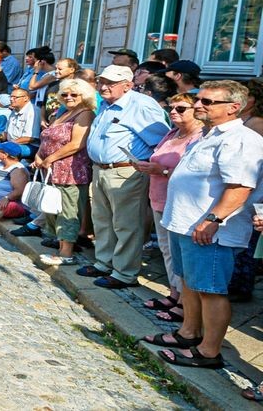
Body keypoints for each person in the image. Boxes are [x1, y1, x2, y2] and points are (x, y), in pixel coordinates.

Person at [148, 81, 263, 370]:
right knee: (189, 282)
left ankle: (209, 352)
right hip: (184, 223)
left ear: (233, 107)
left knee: (211, 290)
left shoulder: (241, 139)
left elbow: (239, 187)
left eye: (208, 102)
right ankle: (188, 332)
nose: (199, 105)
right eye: (199, 100)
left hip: (209, 230)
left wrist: (213, 220)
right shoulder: (208, 134)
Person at [79, 65, 170, 289]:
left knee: (126, 223)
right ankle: (104, 262)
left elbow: (160, 139)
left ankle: (125, 272)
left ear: (128, 85)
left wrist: (145, 164)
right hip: (101, 168)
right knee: (102, 219)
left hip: (126, 170)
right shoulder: (108, 104)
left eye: (110, 83)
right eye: (101, 82)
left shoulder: (141, 105)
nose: (103, 87)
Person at [133, 92, 202, 322]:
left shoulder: (199, 138)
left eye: (181, 108)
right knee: (166, 250)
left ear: (196, 111)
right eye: (171, 108)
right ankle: (174, 294)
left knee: (179, 254)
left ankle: (184, 302)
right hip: (159, 196)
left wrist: (160, 171)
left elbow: (192, 174)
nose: (173, 112)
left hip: (180, 201)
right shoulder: (172, 133)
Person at [30, 79, 96, 266]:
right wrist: (39, 155)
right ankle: (60, 244)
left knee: (68, 211)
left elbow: (77, 143)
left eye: (74, 94)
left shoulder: (85, 114)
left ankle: (66, 253)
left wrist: (50, 158)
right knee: (54, 209)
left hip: (71, 171)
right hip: (52, 170)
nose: (69, 97)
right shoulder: (65, 113)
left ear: (84, 96)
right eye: (65, 94)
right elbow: (48, 139)